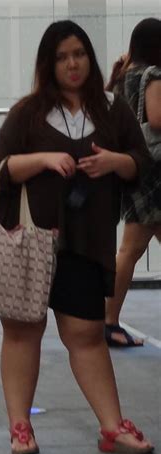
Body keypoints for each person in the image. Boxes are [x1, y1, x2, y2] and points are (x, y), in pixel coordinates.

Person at [0, 20, 154, 454]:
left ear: (90, 58)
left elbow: (141, 165)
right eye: (62, 57)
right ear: (49, 64)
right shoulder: (27, 112)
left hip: (84, 245)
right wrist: (42, 158)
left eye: (78, 53)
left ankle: (111, 426)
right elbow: (1, 169)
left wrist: (115, 162)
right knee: (23, 331)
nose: (72, 63)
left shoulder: (111, 109)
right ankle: (20, 427)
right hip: (29, 243)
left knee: (86, 334)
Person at [104, 18, 161, 347]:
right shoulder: (151, 77)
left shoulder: (122, 77)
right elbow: (156, 118)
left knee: (130, 249)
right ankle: (108, 321)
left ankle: (107, 320)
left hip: (133, 170)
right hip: (153, 177)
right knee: (129, 250)